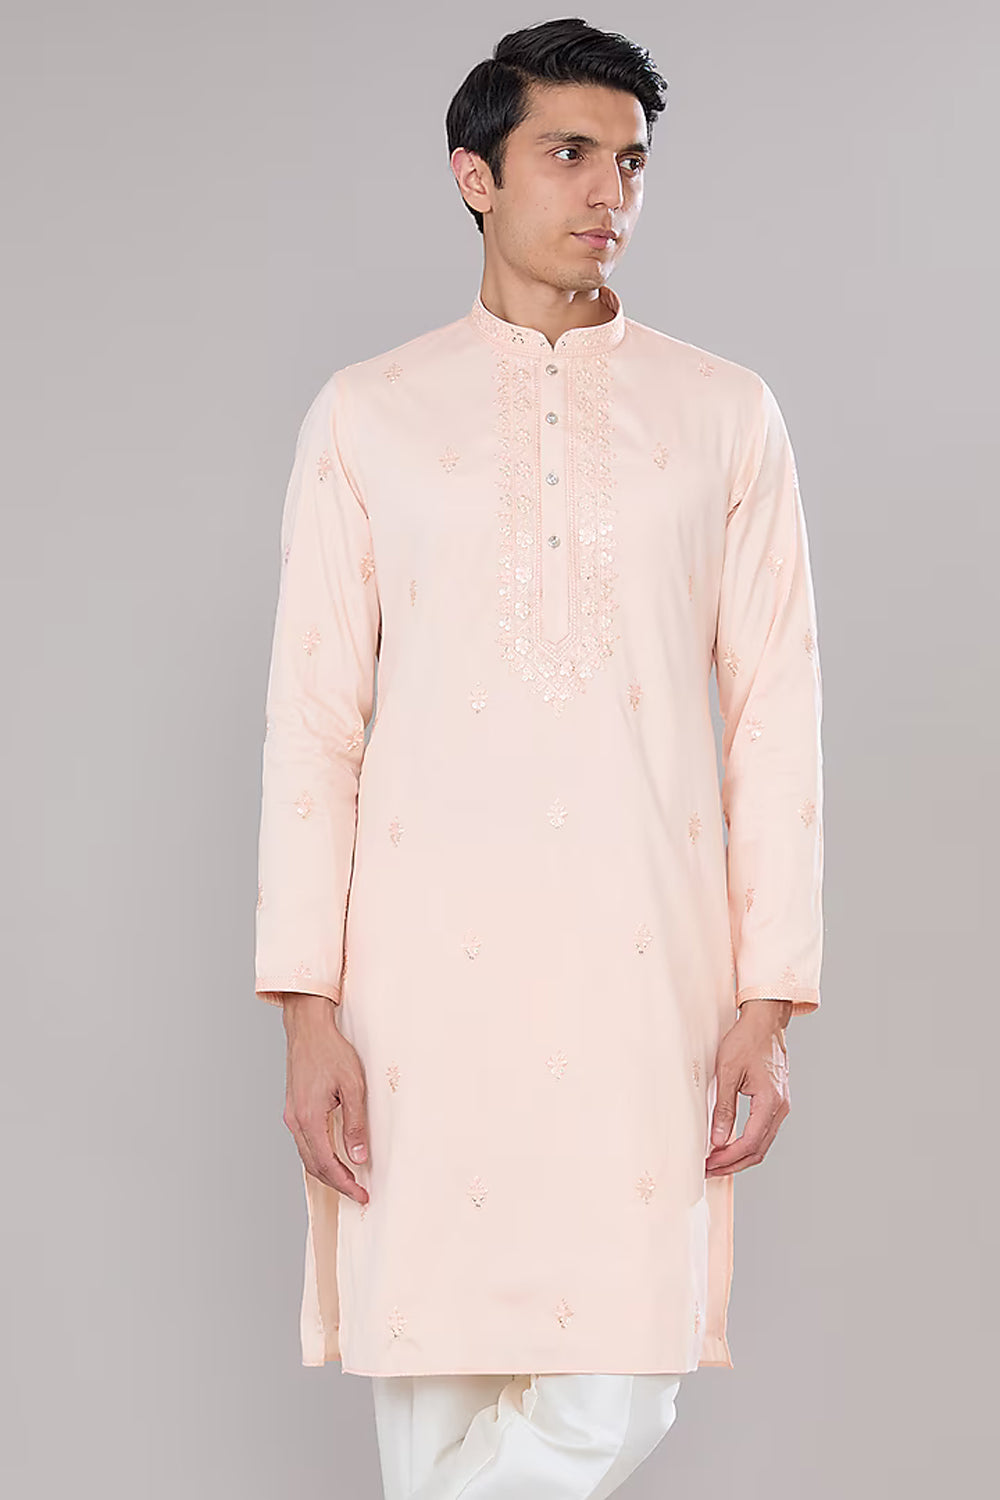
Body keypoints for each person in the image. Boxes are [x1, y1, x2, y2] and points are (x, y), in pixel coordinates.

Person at [254, 17, 824, 1498]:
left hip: (647, 977)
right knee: (431, 1400)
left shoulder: (724, 416)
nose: (607, 191)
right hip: (420, 990)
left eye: (630, 160)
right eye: (569, 153)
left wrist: (770, 1000)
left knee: (617, 1389)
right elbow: (314, 722)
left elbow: (777, 716)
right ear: (475, 174)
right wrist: (307, 1009)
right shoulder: (369, 414)